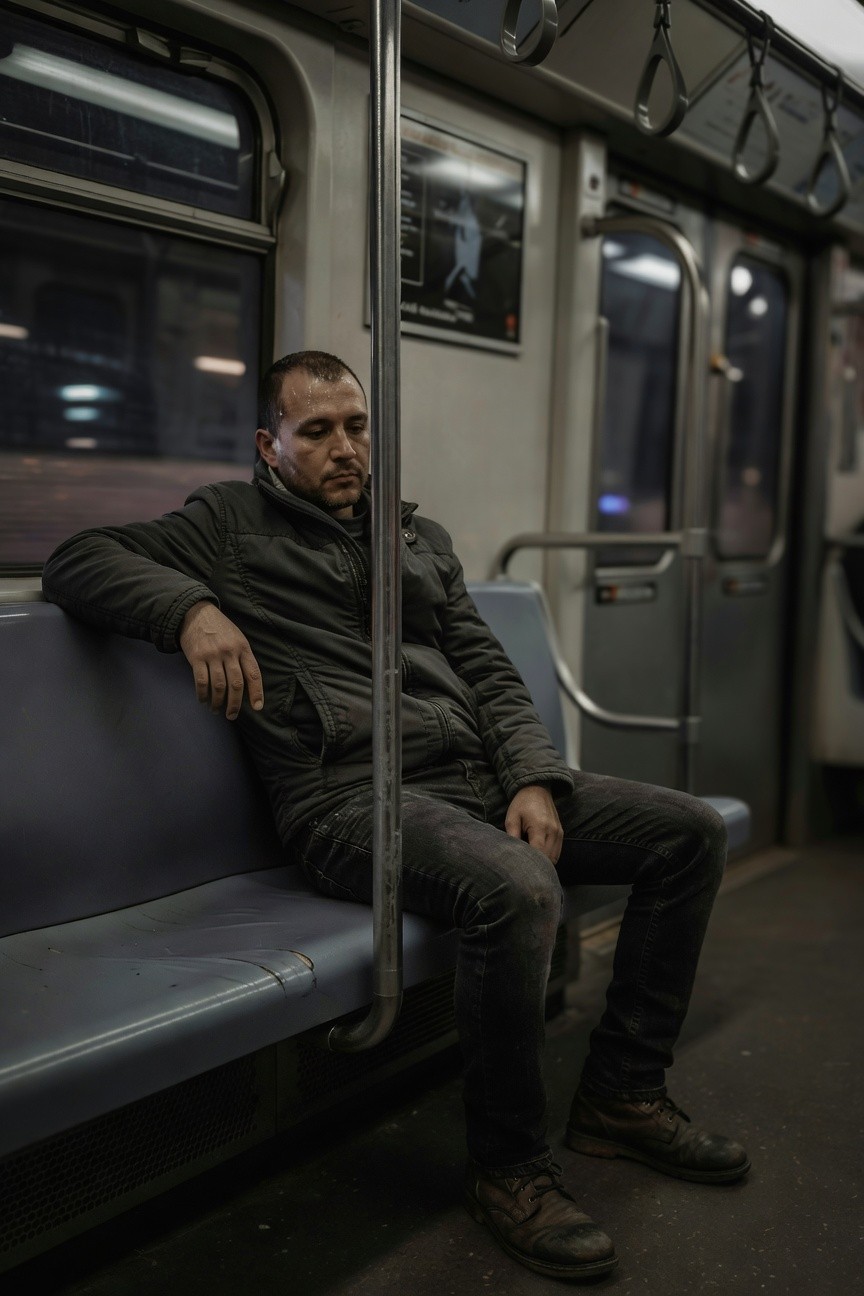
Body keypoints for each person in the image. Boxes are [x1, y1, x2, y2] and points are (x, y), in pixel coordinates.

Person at [43, 350, 749, 1283]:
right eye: (318, 431)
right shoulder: (228, 525)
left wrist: (534, 778)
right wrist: (191, 611)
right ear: (270, 444)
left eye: (357, 427)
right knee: (518, 886)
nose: (346, 449)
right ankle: (509, 1170)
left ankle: (621, 1095)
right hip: (346, 800)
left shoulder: (415, 539)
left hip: (472, 780)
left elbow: (489, 674)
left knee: (685, 833)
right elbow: (76, 557)